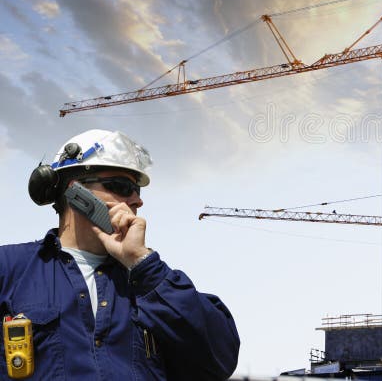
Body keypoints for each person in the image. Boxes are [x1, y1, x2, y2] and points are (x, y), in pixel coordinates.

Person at [0, 129, 239, 380]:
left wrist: (142, 264)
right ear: (76, 192)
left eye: (137, 190)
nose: (136, 200)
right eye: (122, 186)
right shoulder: (9, 270)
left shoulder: (152, 284)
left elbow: (220, 360)